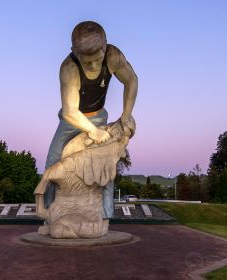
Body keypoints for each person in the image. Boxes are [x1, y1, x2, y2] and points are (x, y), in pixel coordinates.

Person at [44, 21, 138, 218]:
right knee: (53, 161)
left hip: (99, 115)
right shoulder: (69, 68)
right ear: (75, 53)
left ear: (105, 47)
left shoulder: (113, 56)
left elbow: (131, 80)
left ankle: (106, 215)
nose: (94, 66)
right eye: (88, 62)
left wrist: (126, 114)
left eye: (98, 59)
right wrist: (93, 132)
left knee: (106, 165)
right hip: (71, 121)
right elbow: (70, 112)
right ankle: (48, 213)